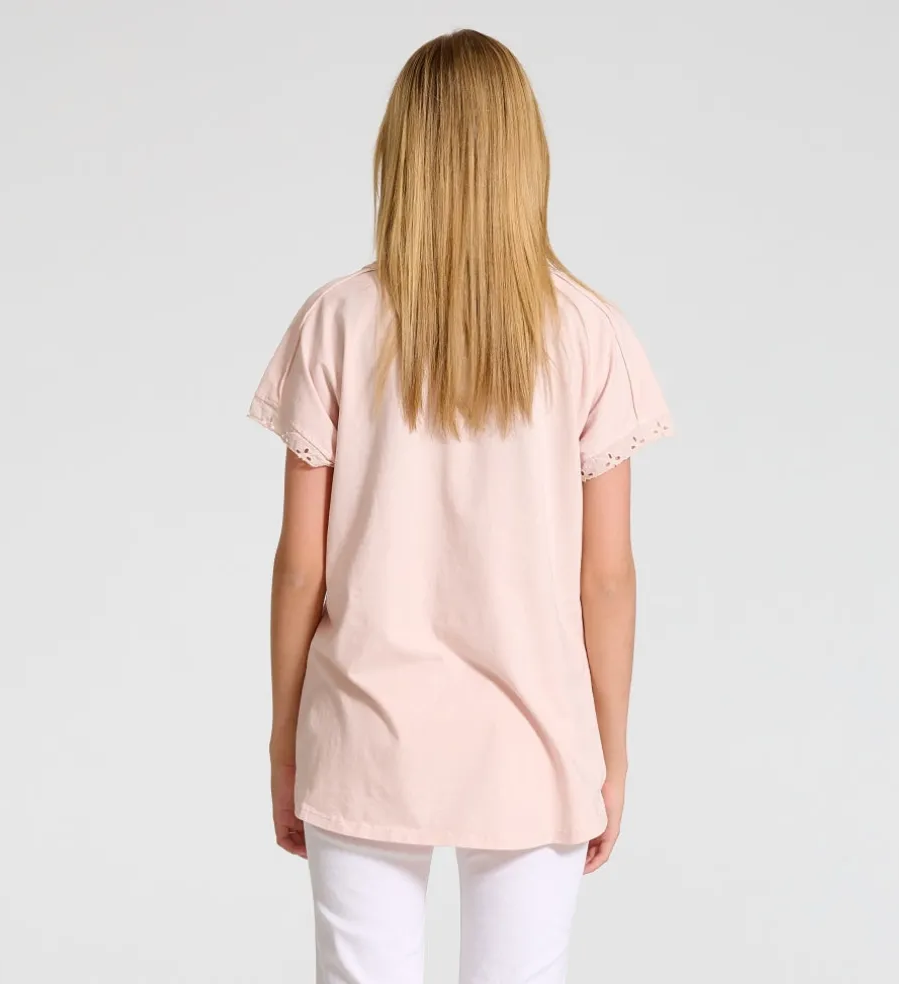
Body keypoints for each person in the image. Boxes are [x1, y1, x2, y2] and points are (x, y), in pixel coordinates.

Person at [247, 27, 672, 984]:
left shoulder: (337, 321)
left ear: (400, 153)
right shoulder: (590, 333)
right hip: (535, 740)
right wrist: (610, 754)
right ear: (526, 155)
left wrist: (284, 742)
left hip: (363, 731)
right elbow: (607, 578)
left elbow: (300, 567)